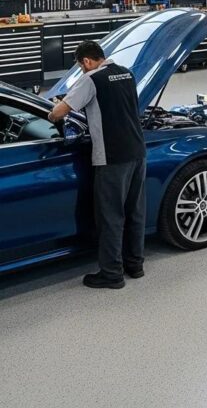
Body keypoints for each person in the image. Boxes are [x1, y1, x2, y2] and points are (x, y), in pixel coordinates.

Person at [48, 40, 147, 290]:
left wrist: (52, 110)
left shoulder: (90, 78)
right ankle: (135, 265)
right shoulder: (126, 72)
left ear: (87, 62)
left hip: (111, 156)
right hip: (137, 151)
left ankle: (112, 274)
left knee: (111, 215)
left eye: (81, 67)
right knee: (135, 211)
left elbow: (58, 114)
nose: (83, 70)